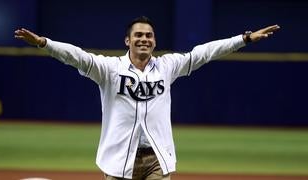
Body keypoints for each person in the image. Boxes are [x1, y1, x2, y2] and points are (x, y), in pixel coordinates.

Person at [14, 16, 280, 180]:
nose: (144, 39)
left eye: (149, 35)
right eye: (138, 35)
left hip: (156, 159)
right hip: (119, 159)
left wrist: (244, 38)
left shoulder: (167, 66)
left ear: (154, 41)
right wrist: (43, 43)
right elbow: (76, 56)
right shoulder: (109, 69)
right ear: (127, 41)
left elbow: (204, 53)